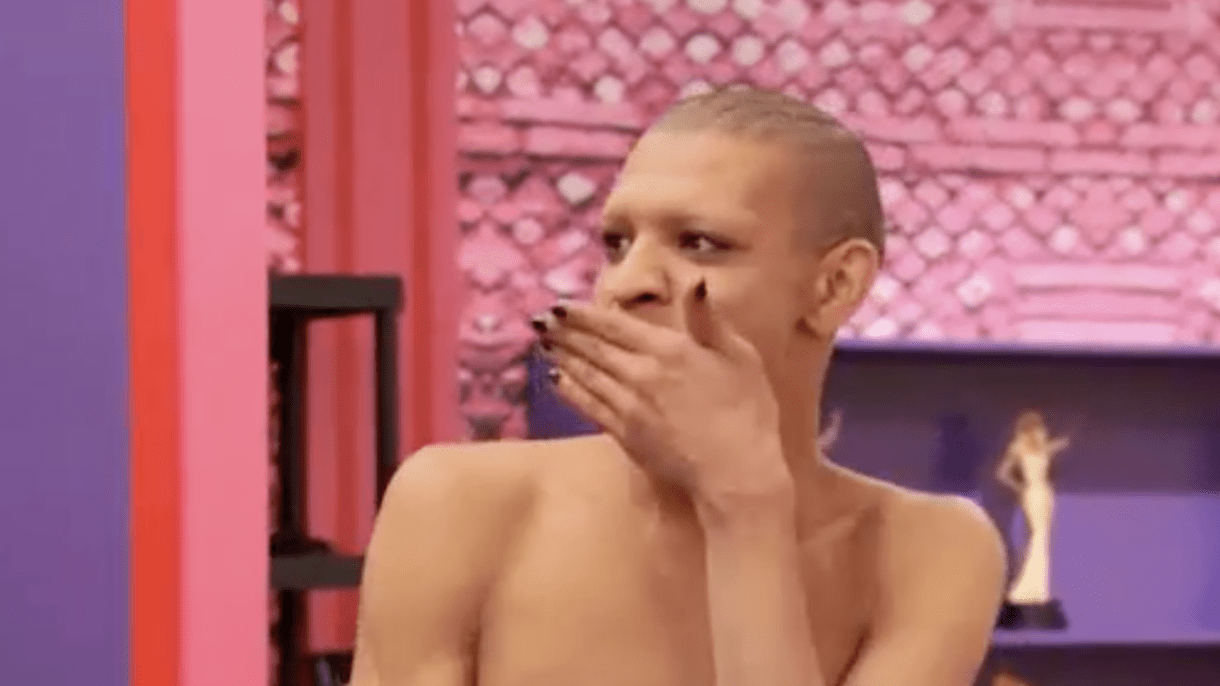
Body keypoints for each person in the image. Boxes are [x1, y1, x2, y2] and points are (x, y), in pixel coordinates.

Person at [348, 86, 1006, 686]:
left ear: (835, 286)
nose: (626, 283)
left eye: (700, 243)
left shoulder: (928, 552)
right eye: (616, 243)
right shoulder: (458, 506)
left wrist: (745, 507)